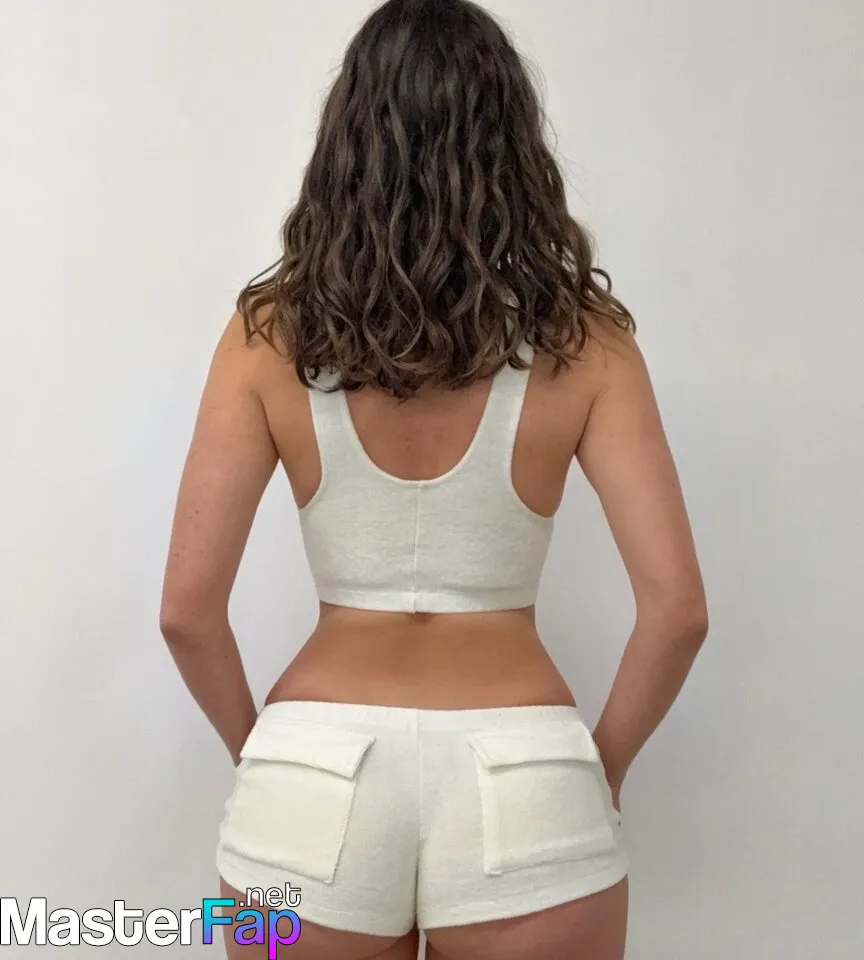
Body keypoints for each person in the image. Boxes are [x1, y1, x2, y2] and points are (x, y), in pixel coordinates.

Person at [159, 1, 708, 957]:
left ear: (347, 144)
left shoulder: (265, 339)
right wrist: (598, 773)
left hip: (309, 781)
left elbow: (185, 614)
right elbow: (678, 614)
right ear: (512, 150)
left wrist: (271, 760)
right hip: (526, 778)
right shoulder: (587, 344)